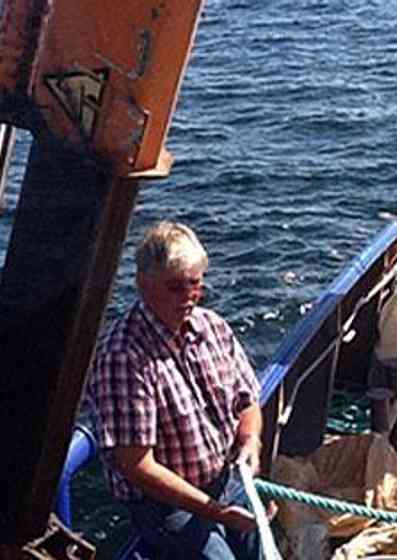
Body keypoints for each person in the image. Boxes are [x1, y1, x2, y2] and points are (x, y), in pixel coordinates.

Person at [85, 221, 273, 559]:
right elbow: (136, 465)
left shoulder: (213, 327)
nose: (189, 296)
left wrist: (250, 440)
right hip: (164, 504)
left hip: (225, 479)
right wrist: (215, 511)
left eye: (195, 283)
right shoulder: (124, 356)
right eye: (175, 287)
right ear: (144, 285)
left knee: (261, 549)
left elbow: (247, 400)